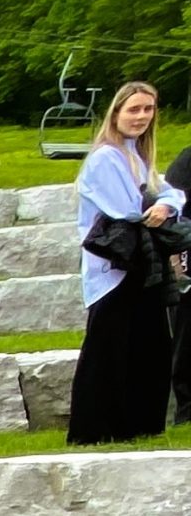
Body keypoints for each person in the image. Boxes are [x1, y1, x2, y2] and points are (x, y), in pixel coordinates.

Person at [69, 83, 184, 448]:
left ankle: (139, 426)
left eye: (148, 109)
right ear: (116, 112)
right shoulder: (105, 157)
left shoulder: (138, 155)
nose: (142, 116)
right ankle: (94, 429)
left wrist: (165, 204)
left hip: (141, 262)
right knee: (109, 348)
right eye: (134, 109)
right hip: (114, 266)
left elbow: (170, 193)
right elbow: (130, 209)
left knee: (148, 346)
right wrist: (160, 204)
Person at [169, 130, 191, 423]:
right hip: (187, 258)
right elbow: (174, 208)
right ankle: (186, 410)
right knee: (187, 335)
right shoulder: (188, 159)